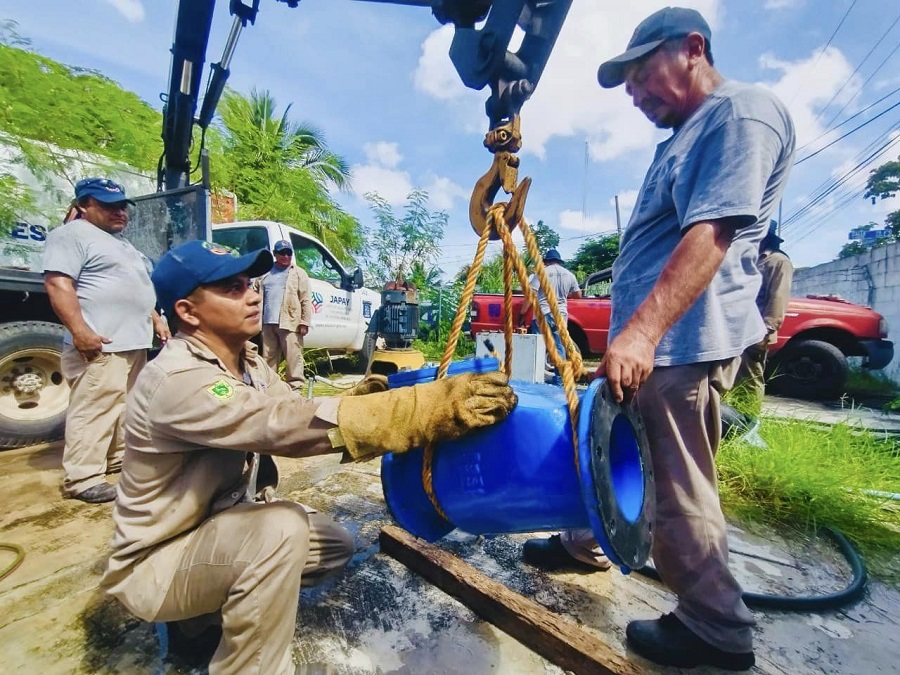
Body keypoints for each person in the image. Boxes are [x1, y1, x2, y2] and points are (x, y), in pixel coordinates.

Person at [102, 239, 517, 675]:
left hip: (214, 529)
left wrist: (364, 398)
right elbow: (282, 426)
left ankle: (207, 611)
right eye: (231, 288)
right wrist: (416, 410)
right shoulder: (178, 378)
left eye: (250, 283)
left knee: (332, 545)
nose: (252, 294)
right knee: (278, 532)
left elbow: (296, 409)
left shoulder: (247, 362)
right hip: (160, 561)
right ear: (187, 311)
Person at [523, 7, 795, 670]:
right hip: (654, 341)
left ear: (693, 49)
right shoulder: (689, 131)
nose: (636, 95)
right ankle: (588, 542)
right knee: (615, 448)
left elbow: (714, 233)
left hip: (682, 341)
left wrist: (642, 333)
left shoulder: (740, 113)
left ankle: (714, 625)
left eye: (643, 76)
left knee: (675, 483)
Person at [43, 177, 170, 504]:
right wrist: (80, 330)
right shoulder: (71, 235)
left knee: (125, 406)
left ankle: (115, 460)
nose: (119, 212)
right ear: (84, 205)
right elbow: (59, 285)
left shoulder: (122, 244)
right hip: (102, 340)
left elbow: (138, 288)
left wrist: (156, 318)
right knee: (95, 408)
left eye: (122, 206)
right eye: (108, 206)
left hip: (132, 341)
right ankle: (83, 478)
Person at [738, 221, 794, 412]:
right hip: (738, 329)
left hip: (757, 333)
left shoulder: (778, 261)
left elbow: (778, 298)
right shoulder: (752, 259)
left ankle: (749, 423)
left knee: (750, 379)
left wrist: (766, 332)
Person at [517, 249, 582, 382]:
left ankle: (536, 378)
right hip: (561, 315)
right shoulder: (569, 275)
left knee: (540, 346)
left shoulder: (542, 272)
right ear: (559, 261)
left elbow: (531, 294)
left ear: (546, 261)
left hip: (544, 313)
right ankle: (560, 379)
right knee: (559, 346)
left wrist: (523, 313)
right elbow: (578, 295)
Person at [259, 239, 312, 388]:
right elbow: (255, 293)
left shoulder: (298, 273)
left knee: (293, 358)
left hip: (290, 323)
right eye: (282, 253)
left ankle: (295, 388)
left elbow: (306, 299)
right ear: (275, 254)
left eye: (289, 253)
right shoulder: (265, 273)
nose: (286, 256)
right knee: (268, 359)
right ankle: (270, 388)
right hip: (268, 323)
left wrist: (304, 322)